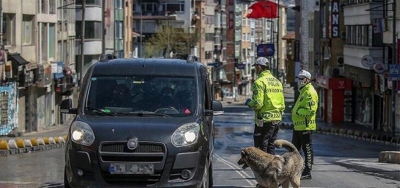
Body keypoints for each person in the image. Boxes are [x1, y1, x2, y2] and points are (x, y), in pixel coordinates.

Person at [245, 57, 285, 155]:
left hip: (264, 120)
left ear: (259, 67)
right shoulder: (277, 82)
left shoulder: (259, 82)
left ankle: (264, 169)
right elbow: (282, 104)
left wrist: (249, 103)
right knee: (271, 145)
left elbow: (258, 104)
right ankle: (273, 168)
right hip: (277, 119)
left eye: (256, 68)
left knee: (261, 146)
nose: (256, 70)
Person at [291, 70, 318, 180]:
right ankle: (295, 169)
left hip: (306, 126)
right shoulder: (303, 91)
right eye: (299, 78)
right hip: (298, 126)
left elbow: (311, 111)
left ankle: (307, 171)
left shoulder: (310, 92)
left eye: (302, 79)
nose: (300, 81)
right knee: (294, 150)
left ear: (307, 79)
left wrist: (298, 112)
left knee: (307, 149)